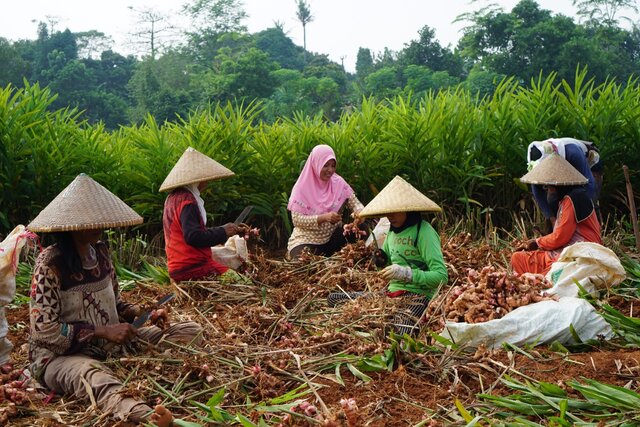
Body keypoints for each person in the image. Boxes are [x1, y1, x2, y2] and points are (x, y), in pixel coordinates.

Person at [27, 173, 202, 425]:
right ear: (74, 224)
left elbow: (117, 304)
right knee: (93, 376)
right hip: (61, 358)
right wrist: (102, 331)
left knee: (189, 330)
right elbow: (44, 330)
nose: (101, 225)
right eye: (93, 221)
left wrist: (144, 313)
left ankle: (152, 365)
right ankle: (144, 414)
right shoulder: (50, 264)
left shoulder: (101, 253)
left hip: (112, 346)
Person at [327, 176, 448, 336]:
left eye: (395, 210)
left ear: (407, 208)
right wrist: (380, 260)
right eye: (388, 211)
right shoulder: (392, 231)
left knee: (399, 331)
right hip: (391, 292)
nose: (390, 216)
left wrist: (407, 274)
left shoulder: (423, 231)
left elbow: (441, 276)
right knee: (333, 298)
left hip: (418, 296)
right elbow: (388, 266)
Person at [161, 147, 249, 281]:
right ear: (197, 180)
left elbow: (192, 232)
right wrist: (222, 232)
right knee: (244, 283)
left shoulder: (172, 198)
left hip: (177, 266)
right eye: (205, 179)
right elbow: (193, 237)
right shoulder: (188, 202)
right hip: (194, 267)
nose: (206, 183)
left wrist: (223, 230)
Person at [511, 154, 602, 276]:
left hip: (580, 254)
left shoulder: (572, 199)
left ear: (559, 185)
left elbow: (560, 237)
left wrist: (537, 242)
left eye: (550, 187)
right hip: (575, 251)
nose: (549, 191)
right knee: (519, 258)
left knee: (520, 259)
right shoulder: (571, 198)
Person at [287, 144, 366, 259]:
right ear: (316, 164)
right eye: (325, 166)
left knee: (362, 228)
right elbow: (297, 220)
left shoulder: (338, 182)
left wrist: (360, 214)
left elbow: (355, 203)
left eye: (333, 166)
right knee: (302, 260)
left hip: (333, 238)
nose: (330, 170)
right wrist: (323, 218)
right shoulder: (301, 187)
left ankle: (336, 257)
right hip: (307, 239)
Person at [527, 137, 602, 222]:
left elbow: (589, 185)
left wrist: (573, 215)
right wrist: (551, 218)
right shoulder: (536, 158)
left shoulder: (573, 153)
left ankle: (593, 230)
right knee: (553, 199)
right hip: (566, 171)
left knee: (586, 207)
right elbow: (537, 191)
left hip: (590, 168)